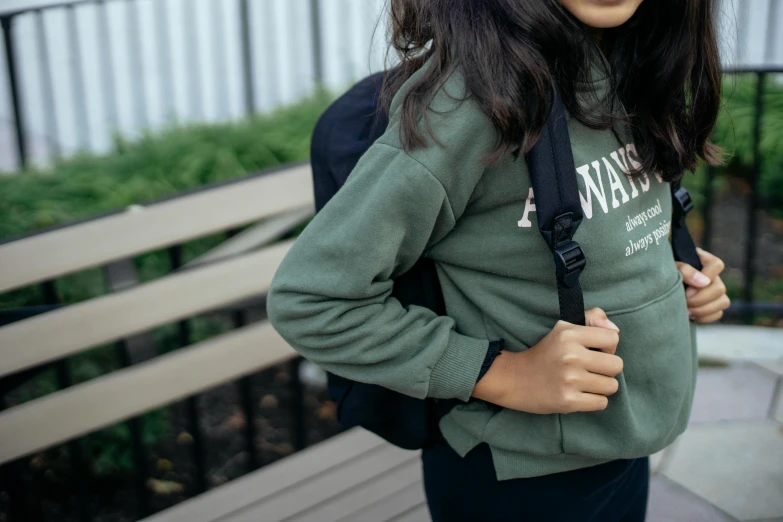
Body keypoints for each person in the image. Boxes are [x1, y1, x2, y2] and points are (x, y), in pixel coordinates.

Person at [267, 0, 731, 520]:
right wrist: (505, 374)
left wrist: (664, 269)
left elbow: (589, 224)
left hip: (621, 442)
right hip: (522, 475)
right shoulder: (470, 104)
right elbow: (311, 298)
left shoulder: (629, 58)